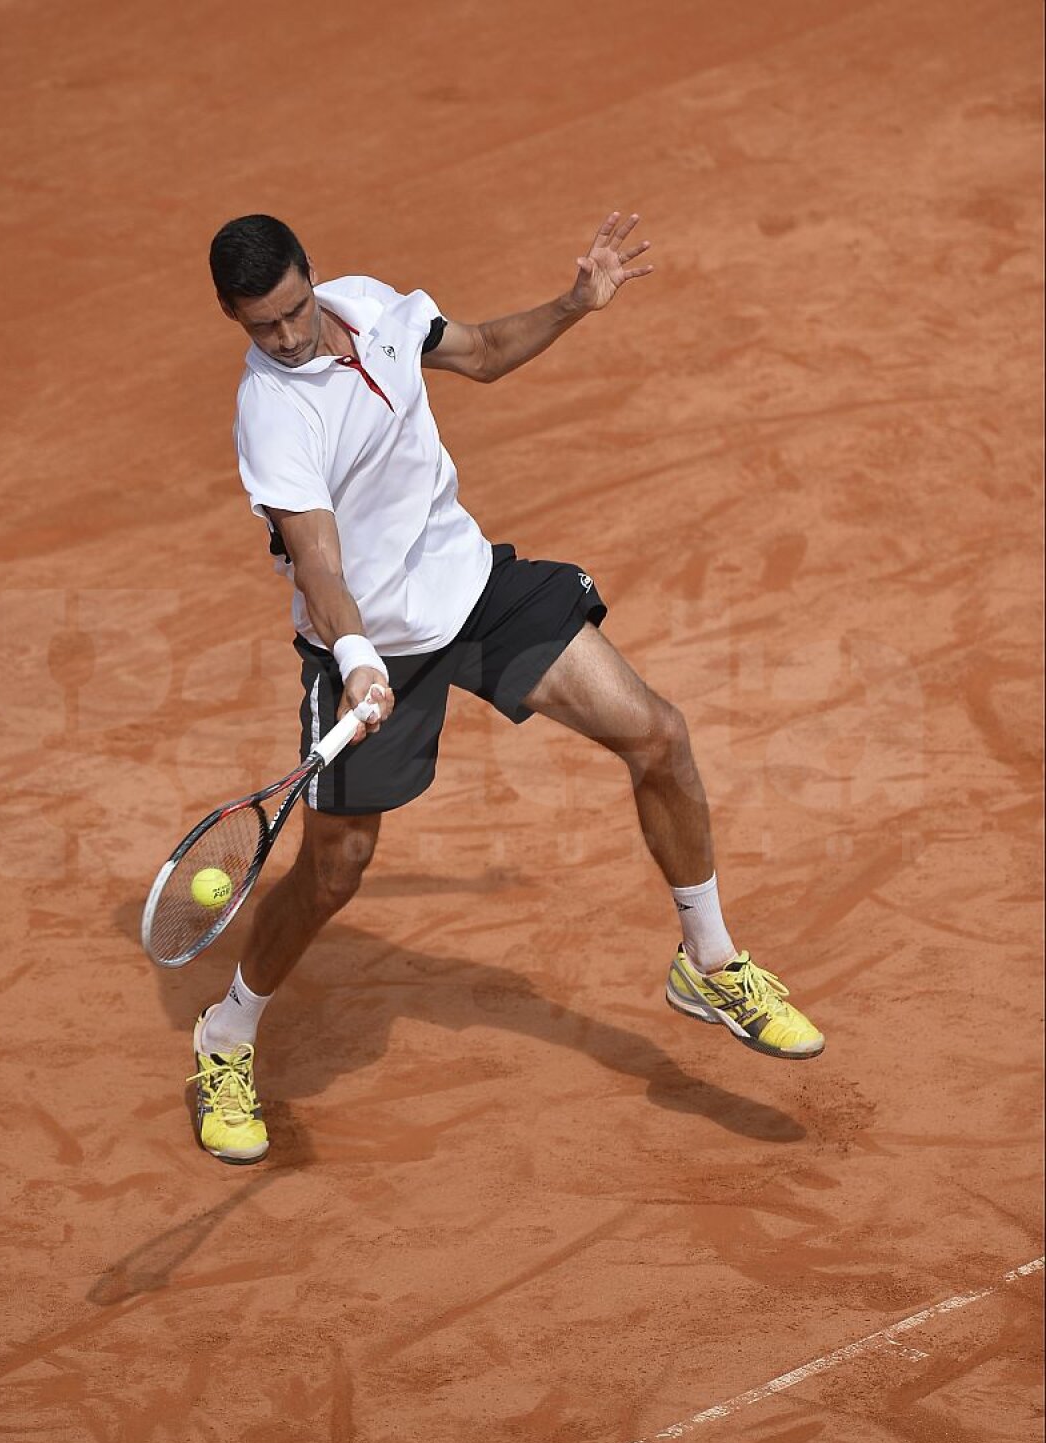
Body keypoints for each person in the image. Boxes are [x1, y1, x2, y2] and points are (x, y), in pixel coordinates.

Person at [191, 210, 824, 1164]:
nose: (280, 339)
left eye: (288, 314)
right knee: (333, 872)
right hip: (371, 650)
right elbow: (318, 562)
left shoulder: (369, 306)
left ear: (310, 279)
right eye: (257, 327)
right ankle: (224, 1039)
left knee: (657, 735)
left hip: (474, 591)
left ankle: (712, 961)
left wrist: (576, 303)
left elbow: (481, 352)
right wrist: (358, 657)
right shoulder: (273, 413)